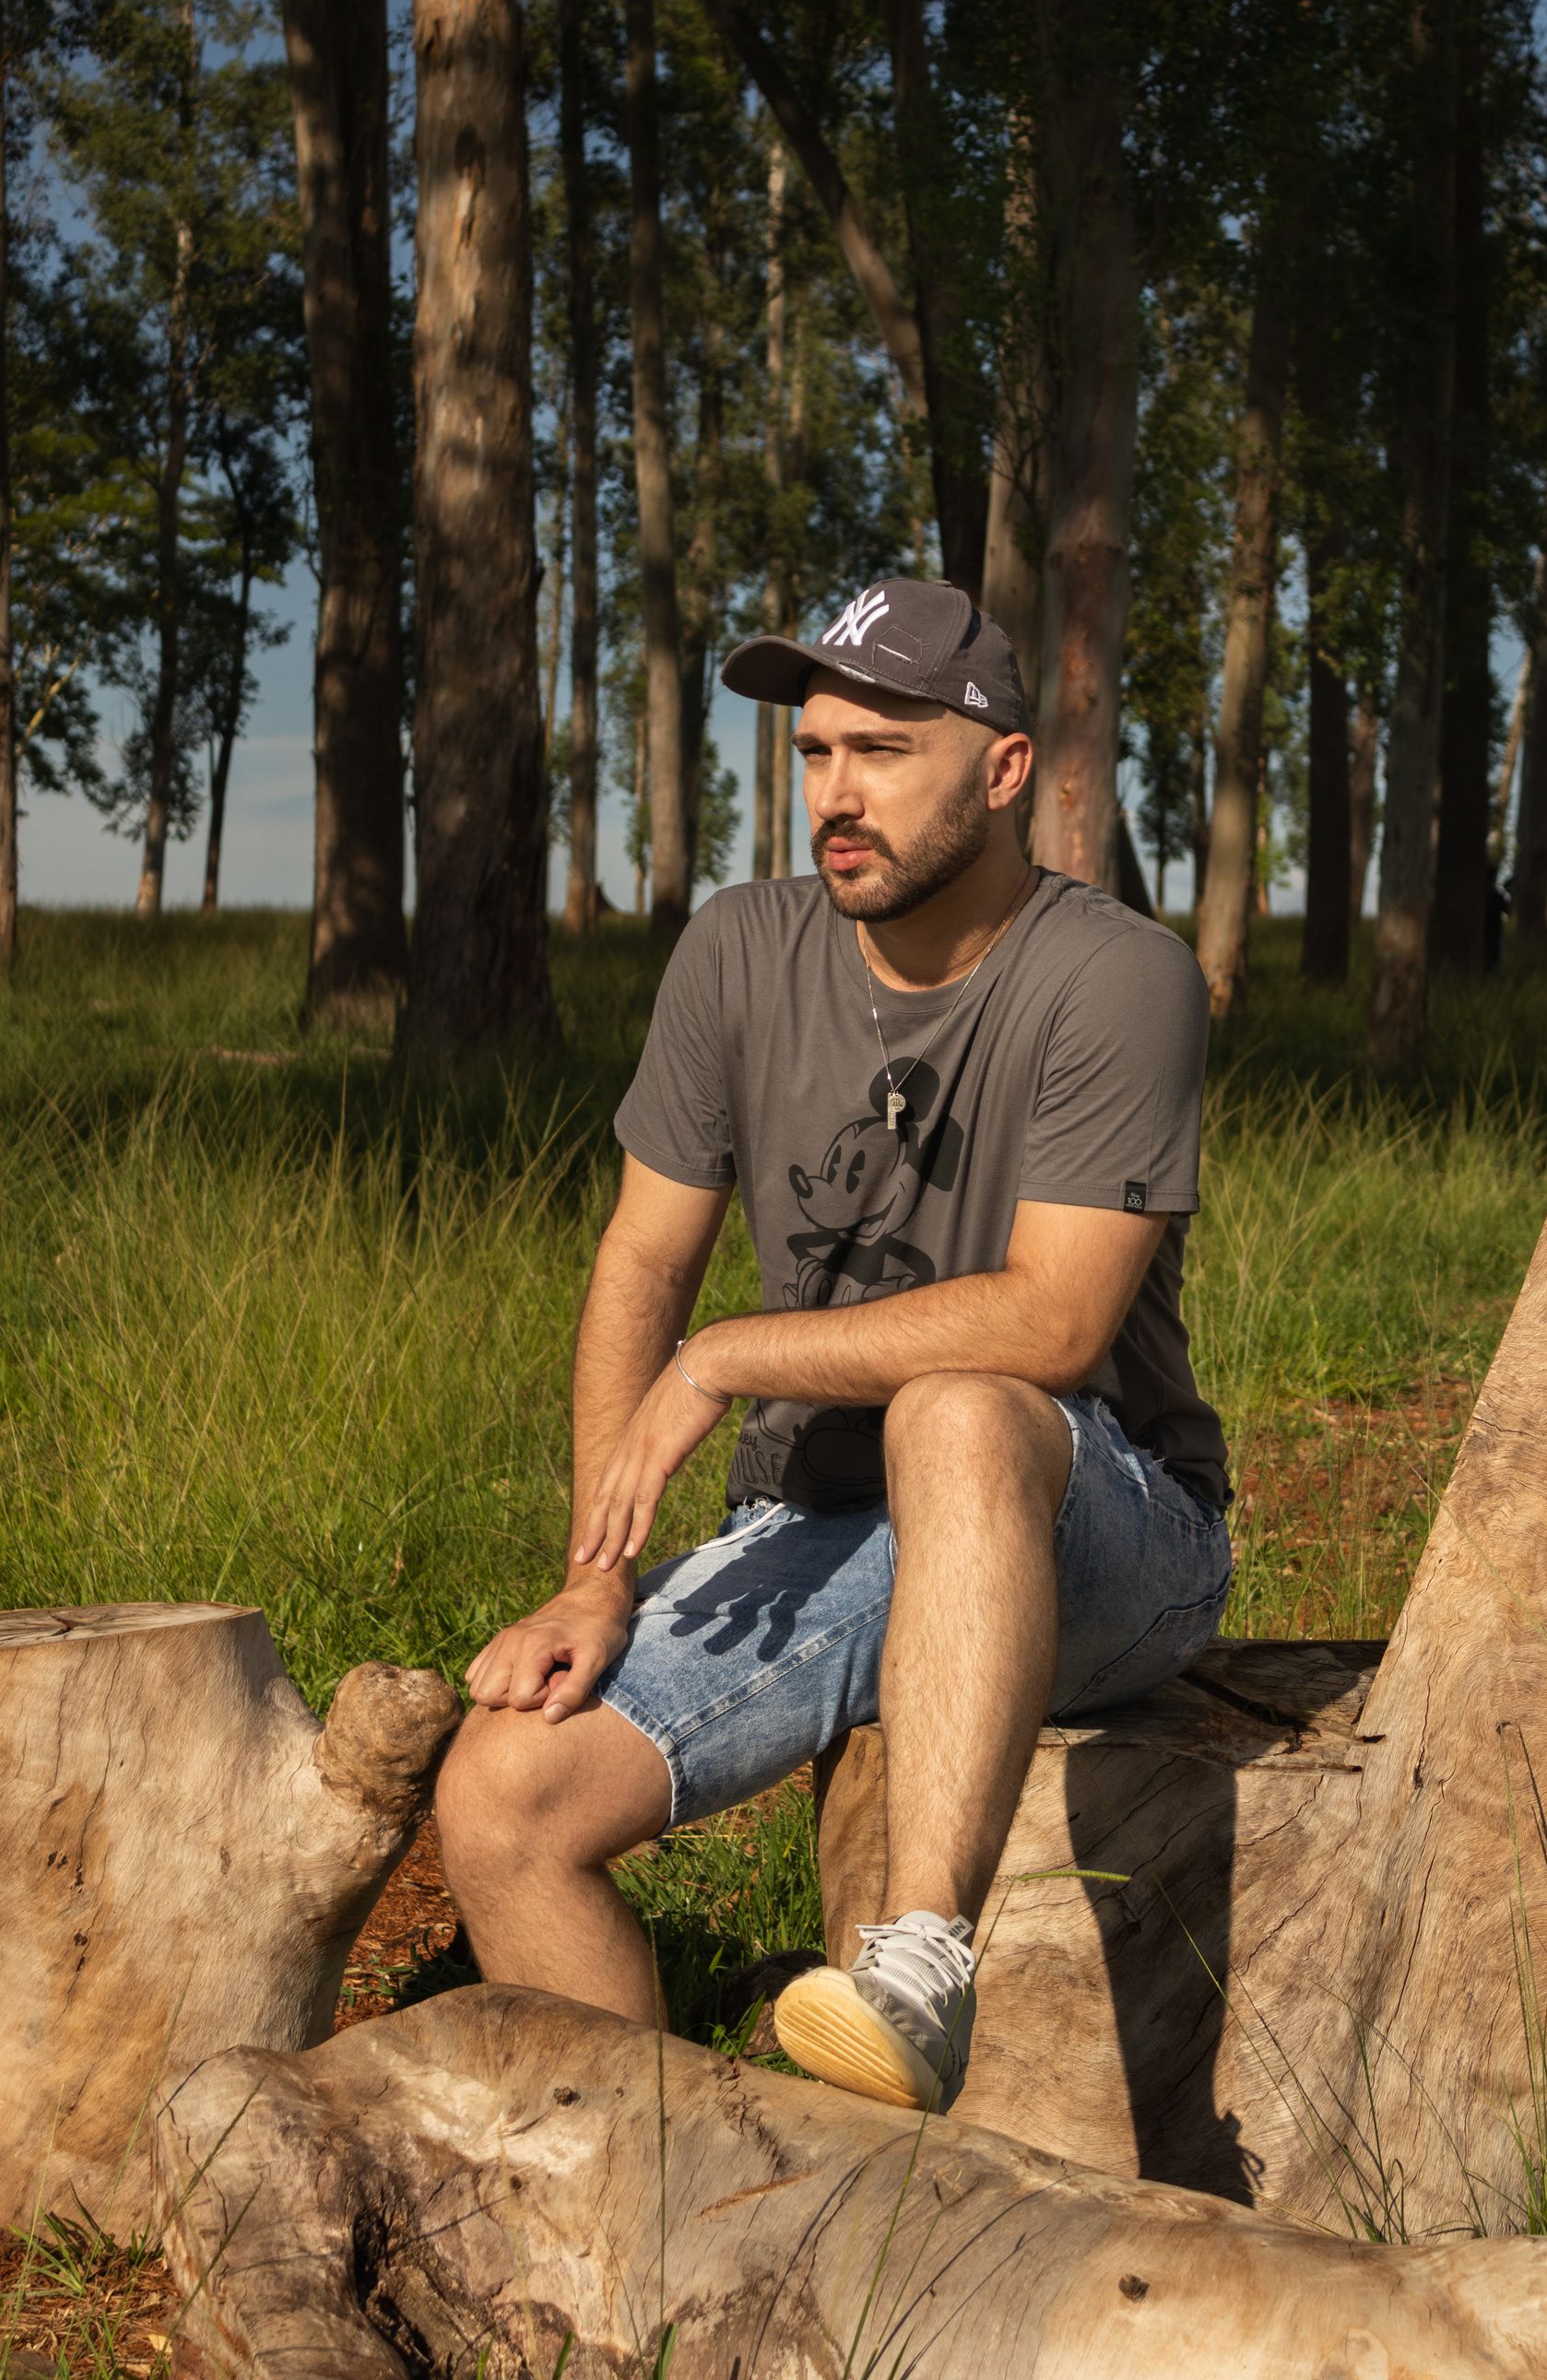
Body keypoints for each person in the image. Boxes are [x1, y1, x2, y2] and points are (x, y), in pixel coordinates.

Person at [436, 575, 1231, 2115]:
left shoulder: (1118, 977)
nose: (835, 798)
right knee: (503, 1795)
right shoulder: (739, 951)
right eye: (813, 757)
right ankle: (656, 2218)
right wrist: (598, 1573)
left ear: (1005, 771)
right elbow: (642, 1256)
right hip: (822, 1521)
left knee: (962, 1411)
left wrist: (731, 1358)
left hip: (1108, 1526)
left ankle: (919, 1963)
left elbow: (1056, 1322)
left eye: (880, 752)